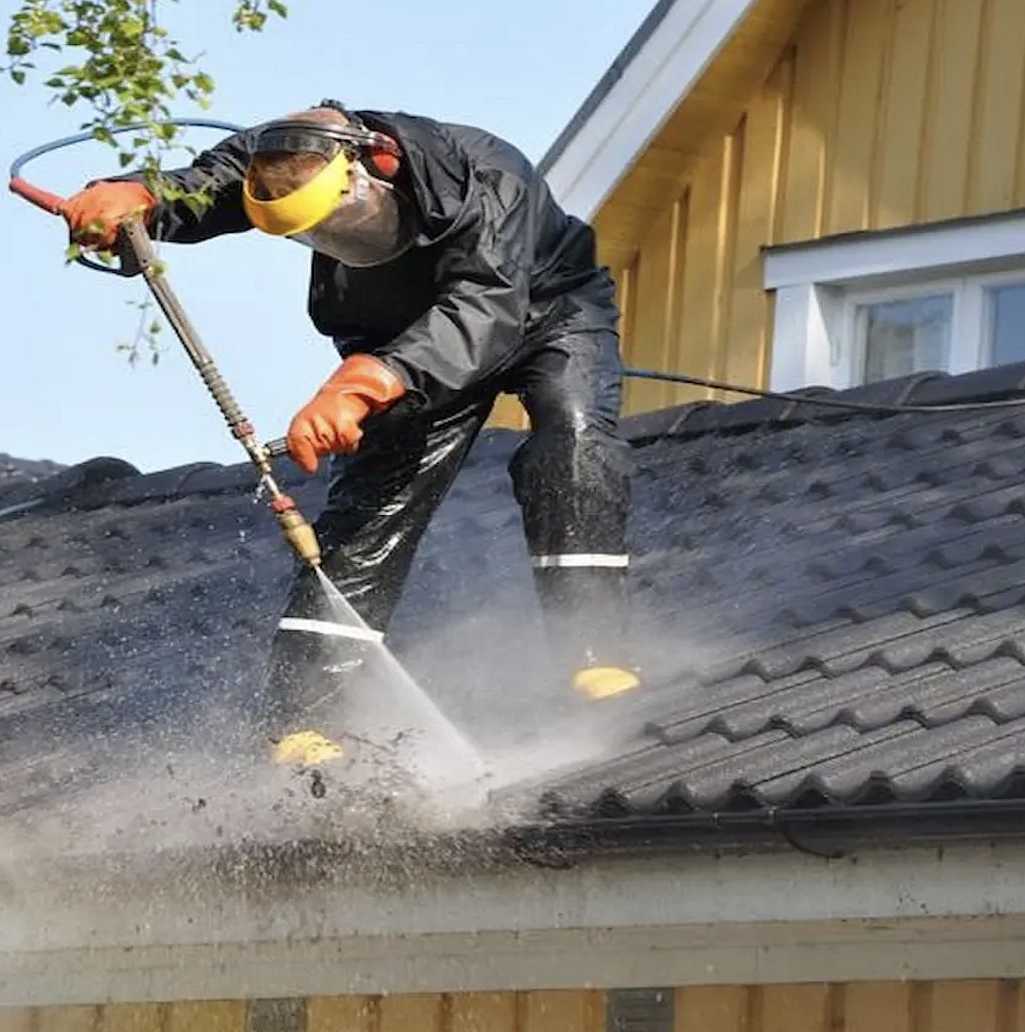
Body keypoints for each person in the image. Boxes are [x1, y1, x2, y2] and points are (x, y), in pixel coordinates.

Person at [58, 100, 639, 768]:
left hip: (544, 310)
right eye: (316, 235)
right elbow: (204, 187)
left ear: (377, 166)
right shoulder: (272, 155)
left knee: (570, 440)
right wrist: (140, 197)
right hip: (398, 340)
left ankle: (594, 650)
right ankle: (301, 717)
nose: (336, 239)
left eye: (342, 217)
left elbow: (485, 308)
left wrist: (366, 382)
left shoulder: (488, 173)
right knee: (371, 512)